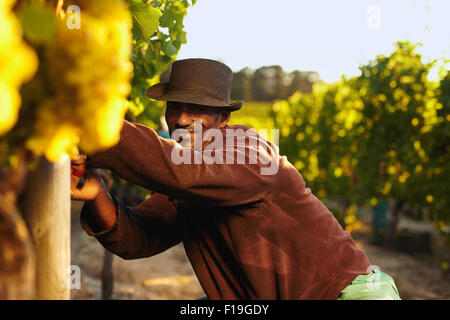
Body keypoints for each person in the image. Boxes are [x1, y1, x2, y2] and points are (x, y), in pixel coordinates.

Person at [71, 58, 400, 300]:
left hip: (349, 293)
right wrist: (97, 194)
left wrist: (94, 127)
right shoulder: (189, 184)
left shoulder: (252, 153)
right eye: (174, 107)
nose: (181, 119)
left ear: (223, 118)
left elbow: (182, 172)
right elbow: (138, 237)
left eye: (196, 108)